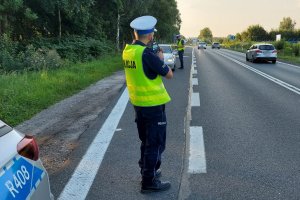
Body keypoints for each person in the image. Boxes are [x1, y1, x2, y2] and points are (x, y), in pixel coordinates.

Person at [122, 15, 173, 193]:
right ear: (150, 36)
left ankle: (146, 170)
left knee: (146, 141)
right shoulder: (148, 54)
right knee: (156, 144)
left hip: (138, 104)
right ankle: (149, 181)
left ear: (135, 33)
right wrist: (160, 59)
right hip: (153, 105)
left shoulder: (128, 51)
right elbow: (168, 74)